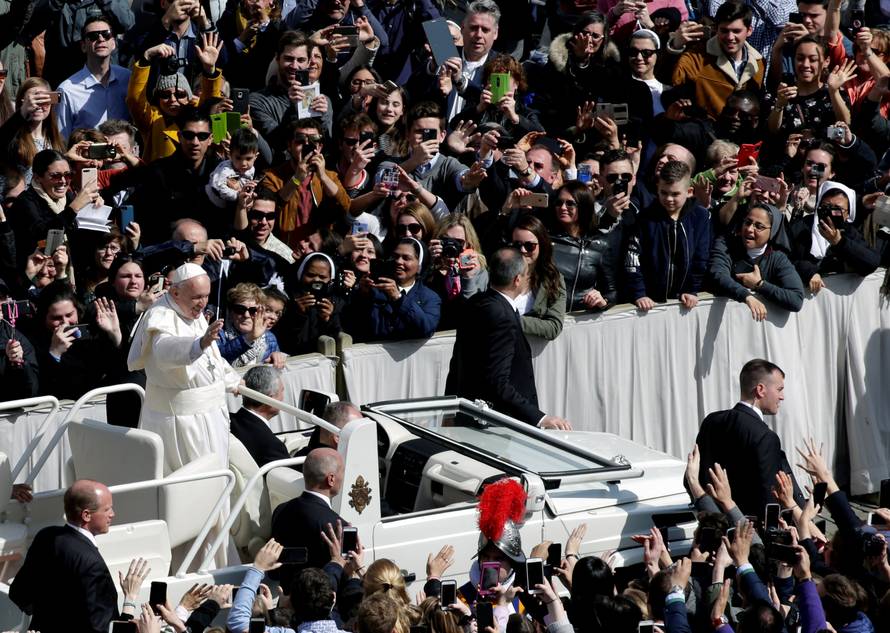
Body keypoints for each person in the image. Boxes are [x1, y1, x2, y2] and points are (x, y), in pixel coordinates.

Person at [127, 262, 241, 474]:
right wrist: (198, 343)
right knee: (195, 482)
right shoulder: (160, 315)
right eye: (197, 297)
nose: (203, 303)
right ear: (175, 292)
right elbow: (164, 350)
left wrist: (232, 380)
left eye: (206, 295)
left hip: (212, 415)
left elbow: (211, 359)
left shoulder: (191, 311)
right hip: (183, 423)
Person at [446, 246, 572, 430]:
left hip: (469, 415)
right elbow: (497, 381)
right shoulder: (502, 316)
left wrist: (450, 410)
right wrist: (539, 418)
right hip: (498, 425)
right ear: (517, 279)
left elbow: (456, 363)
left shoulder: (475, 303)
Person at [694, 358, 803, 517]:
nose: (782, 397)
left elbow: (694, 477)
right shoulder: (765, 437)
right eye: (779, 389)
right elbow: (769, 500)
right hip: (748, 532)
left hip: (712, 526)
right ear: (760, 390)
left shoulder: (711, 421)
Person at [10, 479, 119, 633]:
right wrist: (130, 601)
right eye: (107, 509)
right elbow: (99, 628)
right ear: (86, 515)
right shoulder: (93, 564)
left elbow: (19, 593)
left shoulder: (46, 536)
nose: (112, 514)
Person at [624, 160, 711, 312]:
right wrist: (639, 293)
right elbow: (632, 257)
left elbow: (701, 258)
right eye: (664, 192)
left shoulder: (700, 216)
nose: (669, 199)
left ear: (689, 192)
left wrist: (692, 289)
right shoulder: (645, 218)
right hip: (649, 301)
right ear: (658, 188)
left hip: (685, 301)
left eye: (675, 194)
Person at [669, 1, 766, 120]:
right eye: (724, 31)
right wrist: (675, 47)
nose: (730, 37)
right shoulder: (698, 56)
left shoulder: (759, 63)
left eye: (736, 31)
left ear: (749, 30)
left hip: (743, 136)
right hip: (708, 133)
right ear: (716, 29)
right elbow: (669, 79)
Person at [708, 203, 805, 320]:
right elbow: (719, 275)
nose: (749, 229)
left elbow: (796, 300)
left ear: (772, 231)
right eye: (748, 222)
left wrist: (759, 285)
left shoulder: (778, 258)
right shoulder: (725, 244)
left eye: (759, 226)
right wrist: (746, 296)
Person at [788, 180, 880, 294]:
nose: (830, 213)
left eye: (837, 209)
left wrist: (839, 242)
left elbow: (871, 263)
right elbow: (784, 257)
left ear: (847, 214)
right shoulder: (802, 226)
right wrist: (809, 271)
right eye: (826, 207)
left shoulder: (850, 233)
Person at [270, 447, 347, 570]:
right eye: (343, 472)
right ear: (331, 479)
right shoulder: (338, 526)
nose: (343, 477)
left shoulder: (280, 510)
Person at [55, 17, 132, 141]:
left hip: (123, 157)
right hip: (87, 159)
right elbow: (61, 139)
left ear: (114, 43)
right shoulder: (67, 89)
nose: (100, 39)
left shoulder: (128, 78)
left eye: (106, 34)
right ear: (83, 46)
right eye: (93, 36)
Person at [230, 365, 290, 467]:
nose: (283, 397)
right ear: (270, 399)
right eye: (282, 391)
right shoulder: (272, 446)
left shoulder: (228, 421)